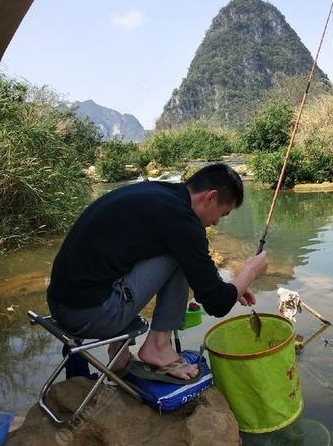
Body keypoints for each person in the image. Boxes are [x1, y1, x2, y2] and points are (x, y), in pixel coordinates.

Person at [46, 163, 268, 381]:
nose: (216, 222)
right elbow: (217, 304)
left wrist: (234, 286)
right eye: (222, 214)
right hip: (89, 315)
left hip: (62, 303)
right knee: (179, 254)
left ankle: (119, 352)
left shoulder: (159, 194)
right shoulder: (183, 221)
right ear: (210, 197)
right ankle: (158, 346)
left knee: (174, 250)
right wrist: (249, 271)